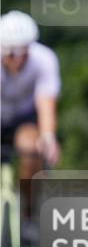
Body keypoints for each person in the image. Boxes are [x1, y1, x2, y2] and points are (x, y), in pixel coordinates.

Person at [0, 11, 62, 214]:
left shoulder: (44, 59)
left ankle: (27, 211)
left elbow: (45, 103)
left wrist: (48, 138)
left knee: (33, 148)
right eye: (11, 54)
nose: (17, 60)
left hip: (24, 118)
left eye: (22, 53)